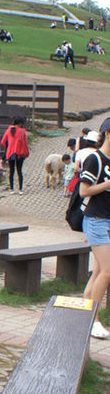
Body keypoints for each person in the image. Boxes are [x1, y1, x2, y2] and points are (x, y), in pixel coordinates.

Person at [80, 120, 110, 339]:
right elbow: (84, 191)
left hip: (107, 221)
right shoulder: (95, 159)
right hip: (96, 220)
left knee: (99, 271)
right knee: (107, 272)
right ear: (107, 133)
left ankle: (85, 314)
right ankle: (94, 320)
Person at [0, 117, 29, 193]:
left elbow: (3, 142)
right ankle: (20, 189)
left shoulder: (8, 130)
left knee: (11, 171)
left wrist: (9, 147)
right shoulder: (22, 131)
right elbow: (25, 141)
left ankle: (12, 189)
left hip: (10, 153)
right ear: (20, 123)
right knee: (19, 171)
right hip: (20, 153)